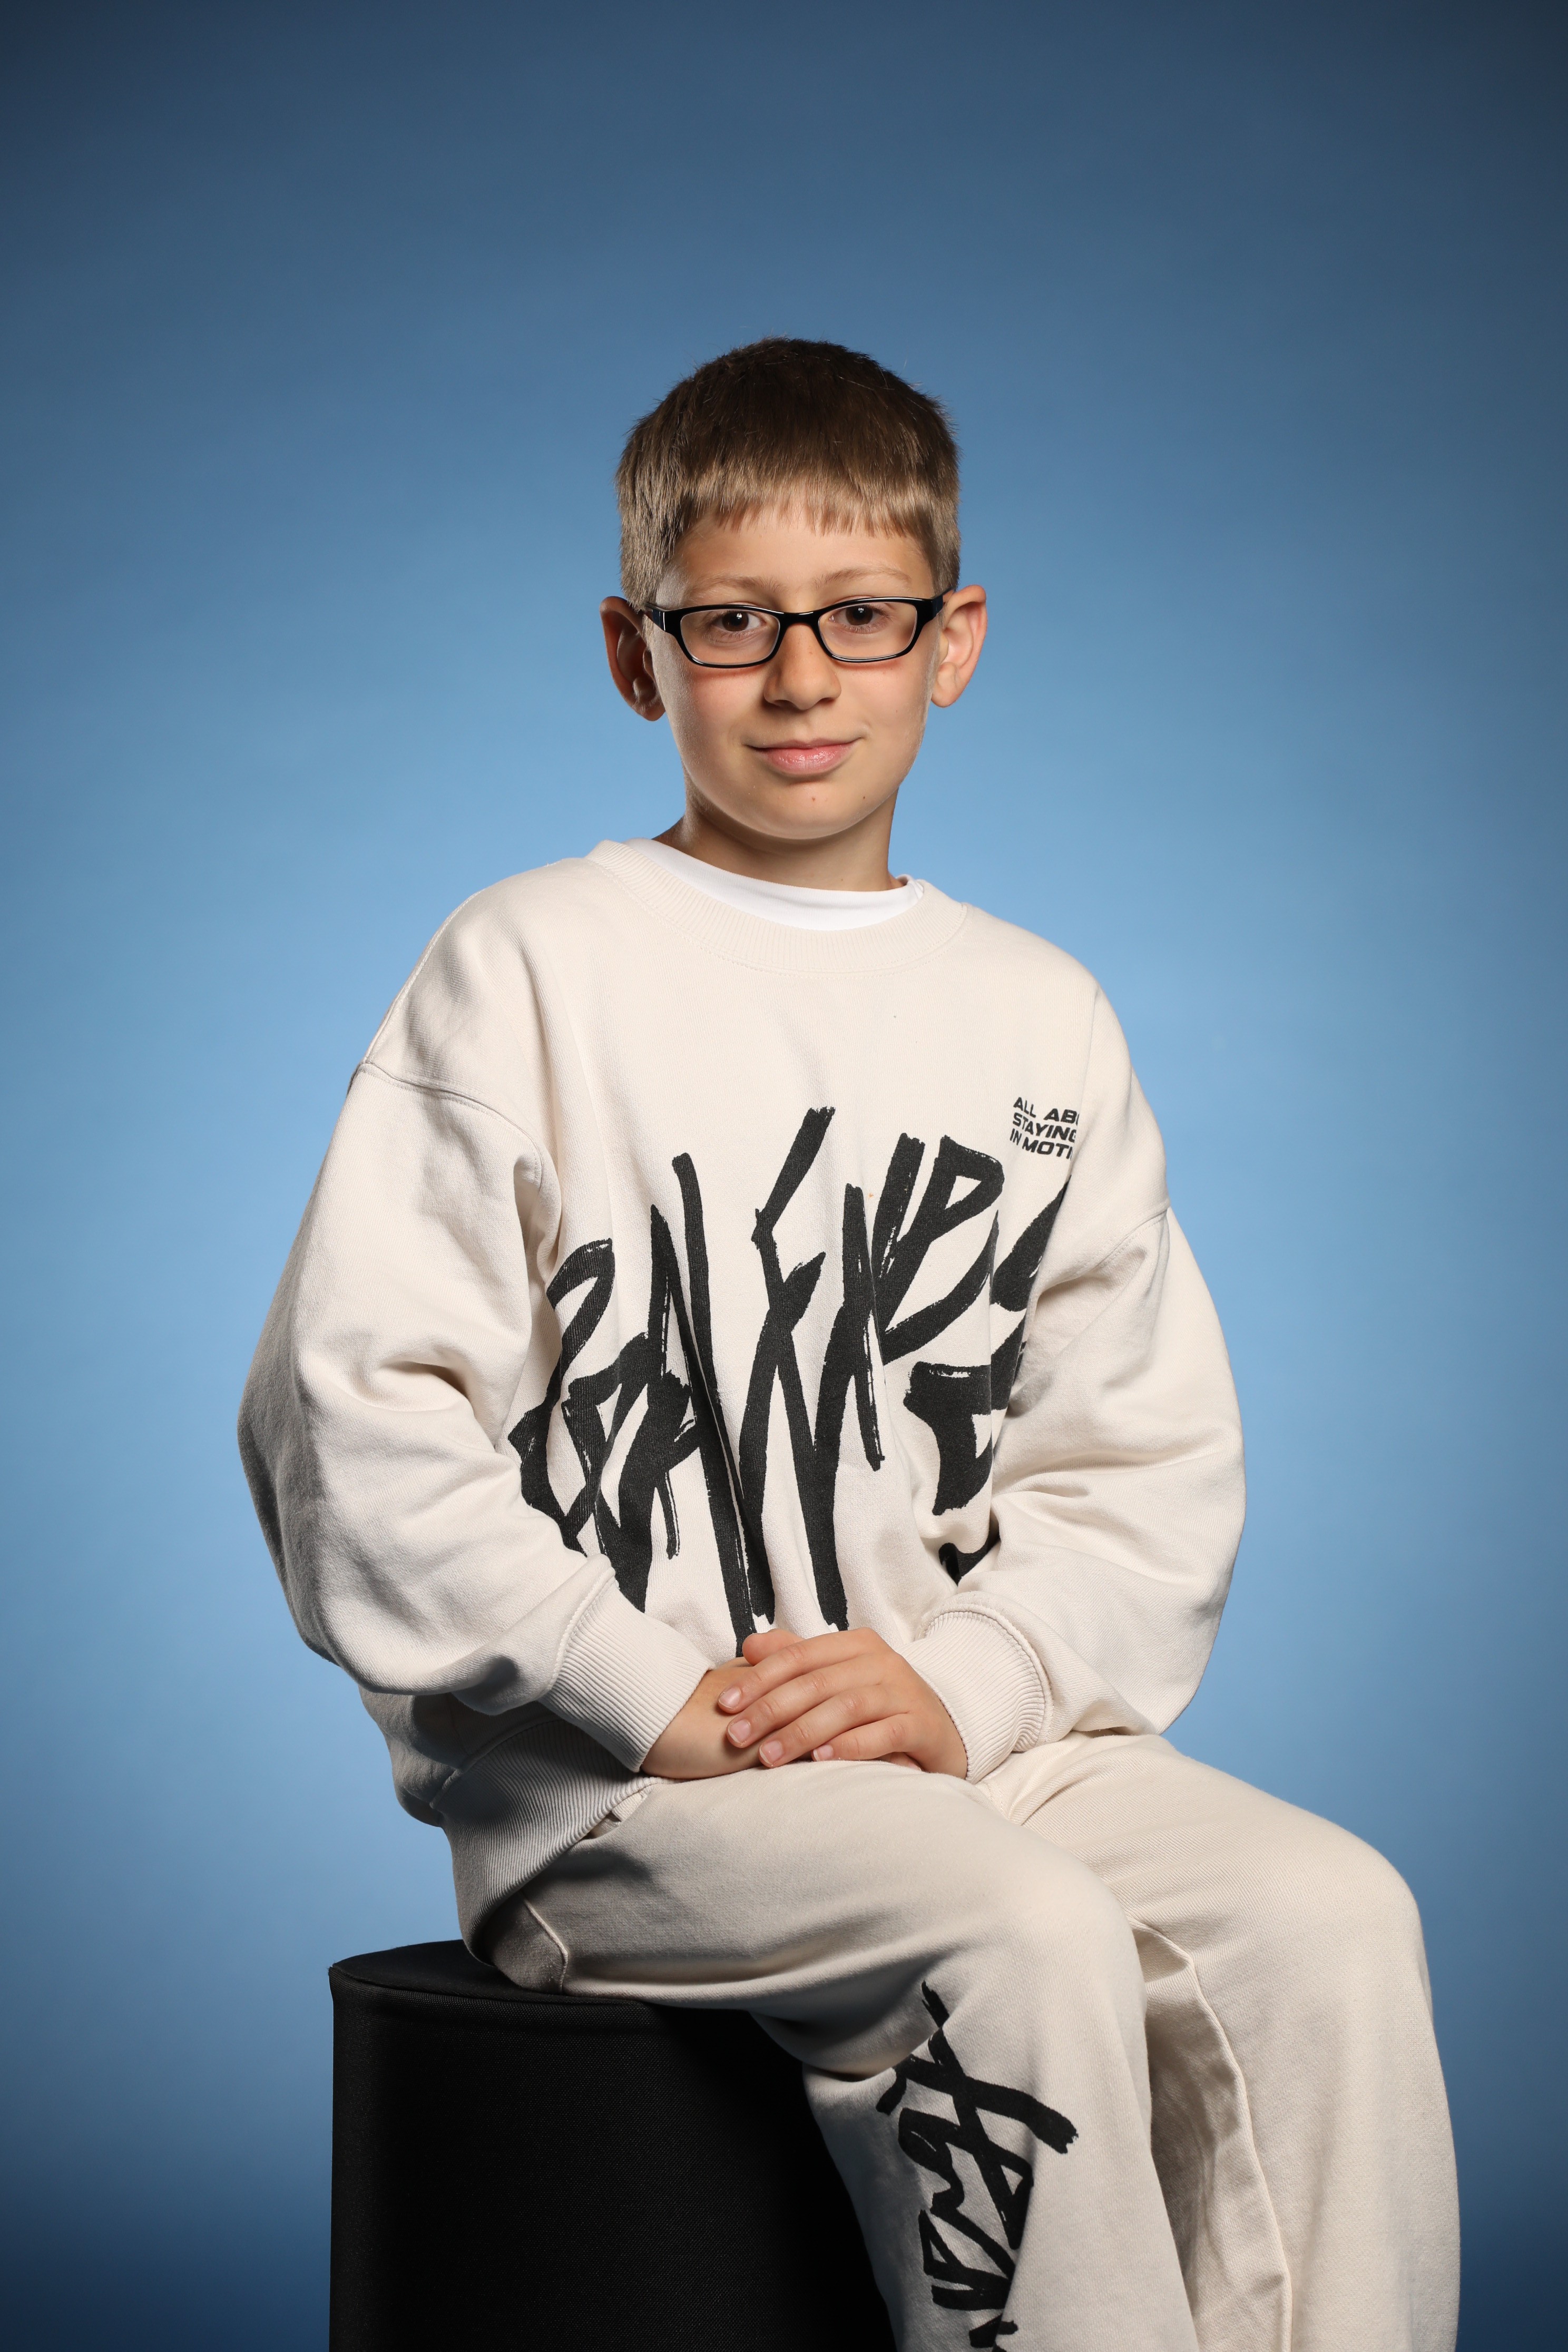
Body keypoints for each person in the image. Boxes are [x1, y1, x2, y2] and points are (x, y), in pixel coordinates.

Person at [239, 338, 1458, 2350]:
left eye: (861, 616)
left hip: (965, 1748)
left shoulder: (1041, 1015)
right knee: (1020, 1936)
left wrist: (964, 1689)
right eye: (734, 621)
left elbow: (1139, 1470)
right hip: (631, 1795)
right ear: (638, 655)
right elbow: (347, 1427)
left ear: (950, 640)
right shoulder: (528, 964)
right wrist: (648, 1693)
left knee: (1332, 1919)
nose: (802, 676)